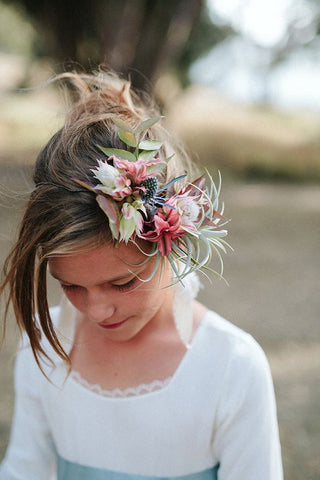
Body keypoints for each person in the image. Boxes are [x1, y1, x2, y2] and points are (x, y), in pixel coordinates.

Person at [0, 71, 283, 480]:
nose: (97, 309)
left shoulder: (231, 368)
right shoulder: (42, 351)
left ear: (172, 239)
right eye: (71, 286)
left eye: (122, 282)